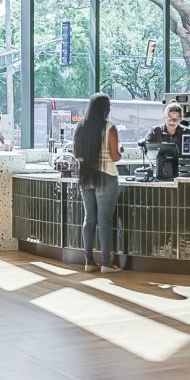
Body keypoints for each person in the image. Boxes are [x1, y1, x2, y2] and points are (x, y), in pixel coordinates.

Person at [71, 92, 122, 273]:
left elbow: (76, 154)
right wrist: (120, 151)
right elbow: (115, 156)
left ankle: (89, 262)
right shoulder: (109, 127)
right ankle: (106, 263)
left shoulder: (80, 126)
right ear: (106, 108)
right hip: (106, 176)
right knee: (104, 221)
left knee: (89, 218)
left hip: (86, 176)